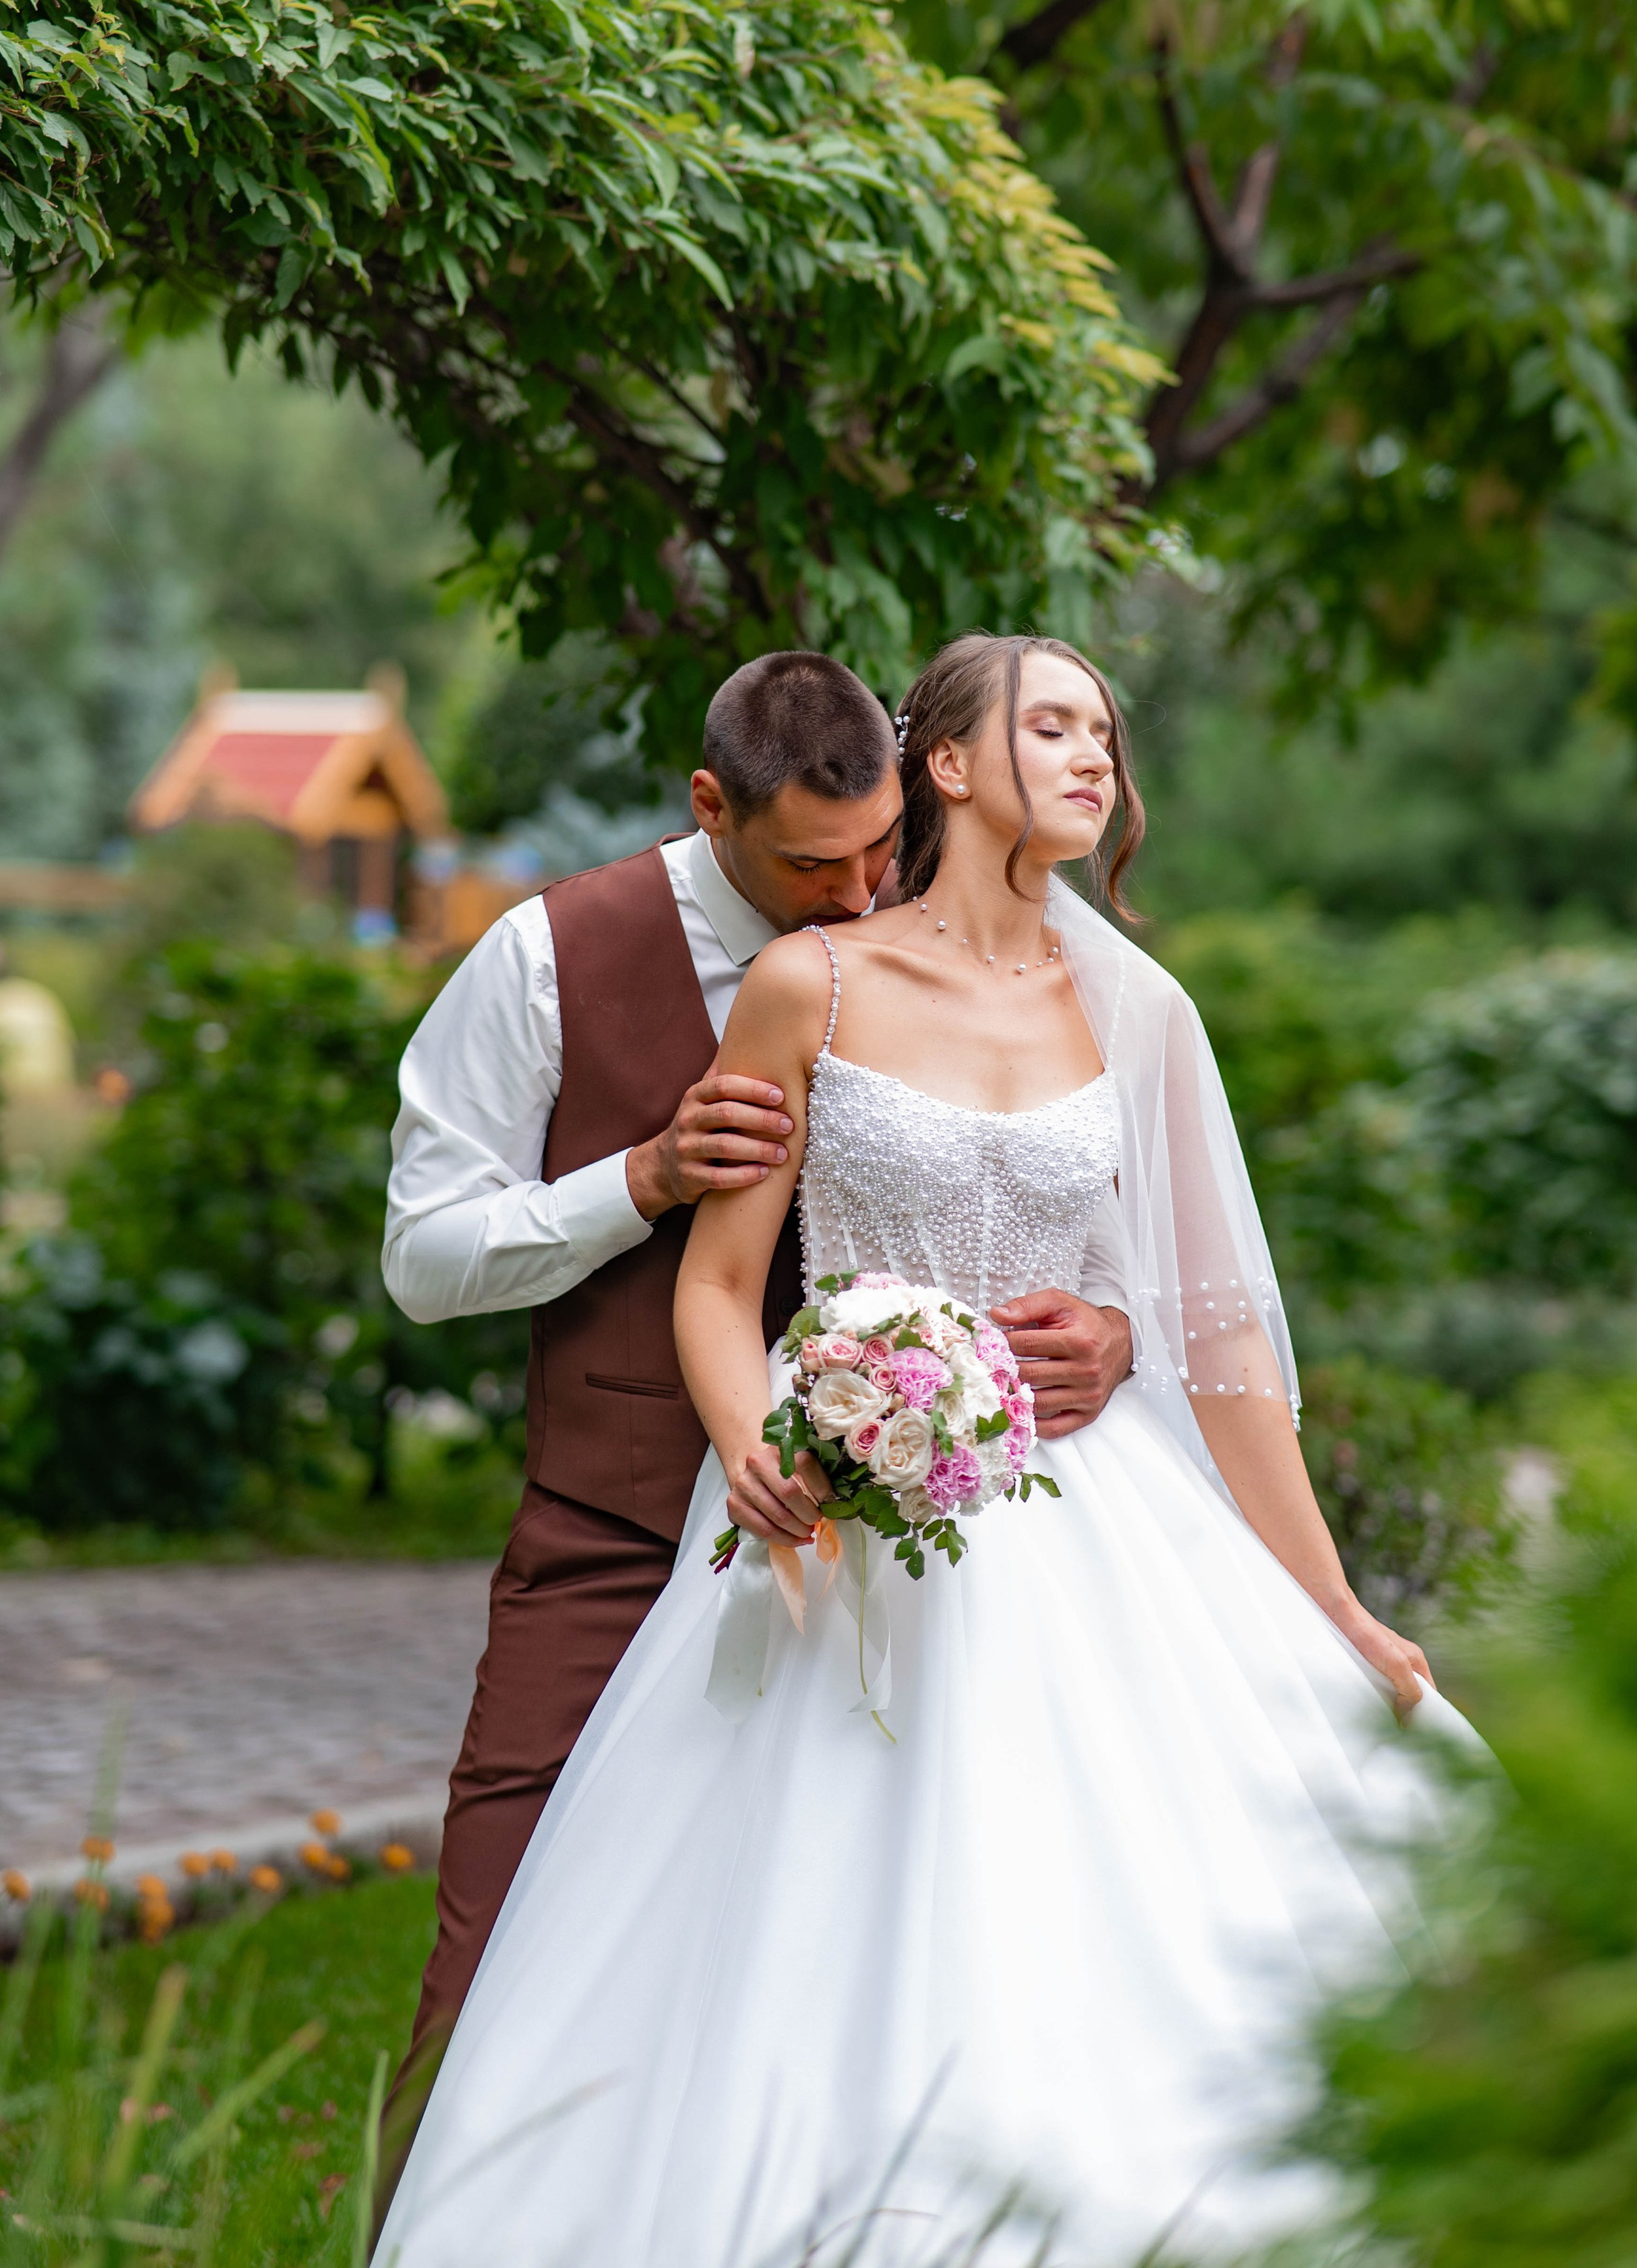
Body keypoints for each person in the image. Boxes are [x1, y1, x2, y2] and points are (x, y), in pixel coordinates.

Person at [349, 633, 1481, 2268]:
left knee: (1088, 1923)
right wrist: (747, 1400)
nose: (1091, 752)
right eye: (1051, 722)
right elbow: (673, 1283)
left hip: (1069, 1534)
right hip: (759, 1533)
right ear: (940, 761)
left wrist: (1318, 1585)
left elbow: (1210, 1333)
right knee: (611, 1952)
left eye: (1106, 728)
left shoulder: (1133, 1009)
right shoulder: (724, 978)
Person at [379, 648, 1135, 2134]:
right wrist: (639, 1180)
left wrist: (1106, 1327)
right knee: (499, 1956)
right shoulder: (548, 959)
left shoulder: (942, 934)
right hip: (614, 1535)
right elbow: (421, 1258)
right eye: (811, 862)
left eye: (876, 853)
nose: (857, 894)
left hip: (917, 1565)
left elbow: (1075, 1168)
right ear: (710, 805)